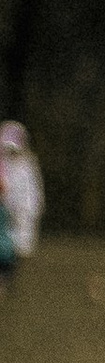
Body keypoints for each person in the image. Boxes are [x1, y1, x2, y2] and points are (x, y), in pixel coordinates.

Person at [0, 122, 39, 287]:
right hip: (5, 213)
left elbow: (32, 194)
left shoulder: (27, 166)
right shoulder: (4, 165)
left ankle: (8, 279)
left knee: (17, 248)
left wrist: (26, 210)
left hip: (20, 215)